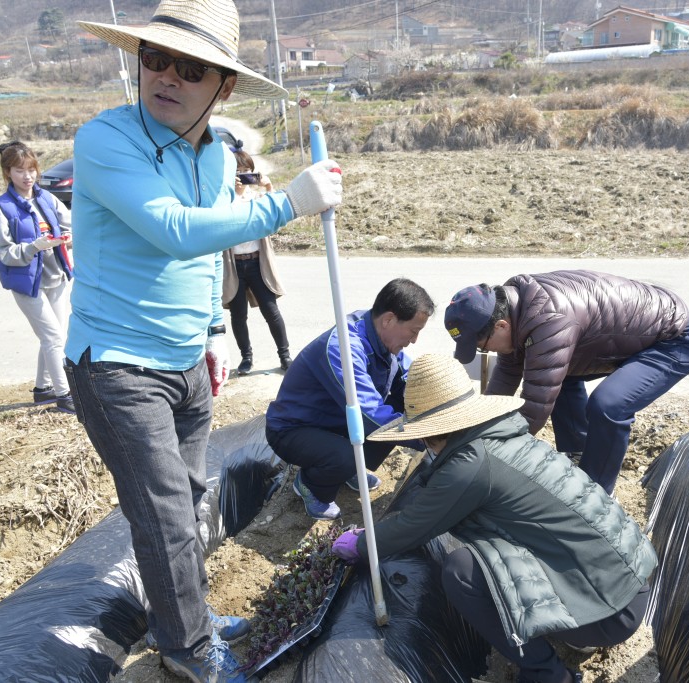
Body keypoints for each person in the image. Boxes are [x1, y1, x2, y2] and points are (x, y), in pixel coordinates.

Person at [64, 1, 342, 681]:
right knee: (161, 515)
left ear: (224, 86)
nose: (165, 76)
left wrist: (215, 329)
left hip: (187, 358)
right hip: (118, 366)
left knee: (188, 507)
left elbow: (201, 256)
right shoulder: (104, 140)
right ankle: (188, 652)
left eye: (189, 68)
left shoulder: (216, 154)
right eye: (154, 59)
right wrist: (289, 203)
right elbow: (174, 230)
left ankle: (187, 620)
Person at [331, 353, 657, 683]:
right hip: (628, 584)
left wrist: (359, 543)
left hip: (609, 611)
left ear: (432, 434)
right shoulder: (504, 435)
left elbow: (411, 528)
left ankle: (548, 674)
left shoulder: (470, 465)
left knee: (462, 572)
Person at [444, 270, 689, 495]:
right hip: (625, 335)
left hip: (675, 339)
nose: (486, 354)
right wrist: (478, 428)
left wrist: (490, 452)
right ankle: (578, 454)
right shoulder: (515, 308)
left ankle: (598, 492)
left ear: (500, 326)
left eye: (483, 347)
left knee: (608, 405)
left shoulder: (549, 319)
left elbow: (534, 408)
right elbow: (504, 380)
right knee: (558, 376)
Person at [265, 278, 434, 521]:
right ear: (388, 319)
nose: (415, 340)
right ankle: (311, 485)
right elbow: (368, 414)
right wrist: (427, 436)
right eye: (414, 331)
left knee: (403, 401)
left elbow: (407, 378)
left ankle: (347, 467)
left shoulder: (379, 333)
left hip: (333, 420)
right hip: (294, 429)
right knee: (345, 455)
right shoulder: (343, 347)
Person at [0, 141, 75, 415]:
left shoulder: (46, 198)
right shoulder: (0, 207)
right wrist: (33, 247)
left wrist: (69, 238)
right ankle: (65, 395)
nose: (27, 177)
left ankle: (43, 389)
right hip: (28, 283)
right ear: (7, 173)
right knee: (52, 338)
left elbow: (68, 224)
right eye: (19, 171)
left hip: (56, 275)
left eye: (31, 170)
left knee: (54, 336)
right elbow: (4, 252)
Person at [221, 144, 292, 374]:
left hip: (256, 263)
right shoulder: (225, 196)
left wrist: (269, 187)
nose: (242, 175)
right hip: (235, 265)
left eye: (246, 170)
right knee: (238, 314)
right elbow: (228, 220)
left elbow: (274, 217)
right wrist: (236, 194)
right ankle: (246, 358)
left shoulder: (259, 196)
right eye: (237, 171)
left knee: (271, 311)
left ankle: (285, 356)